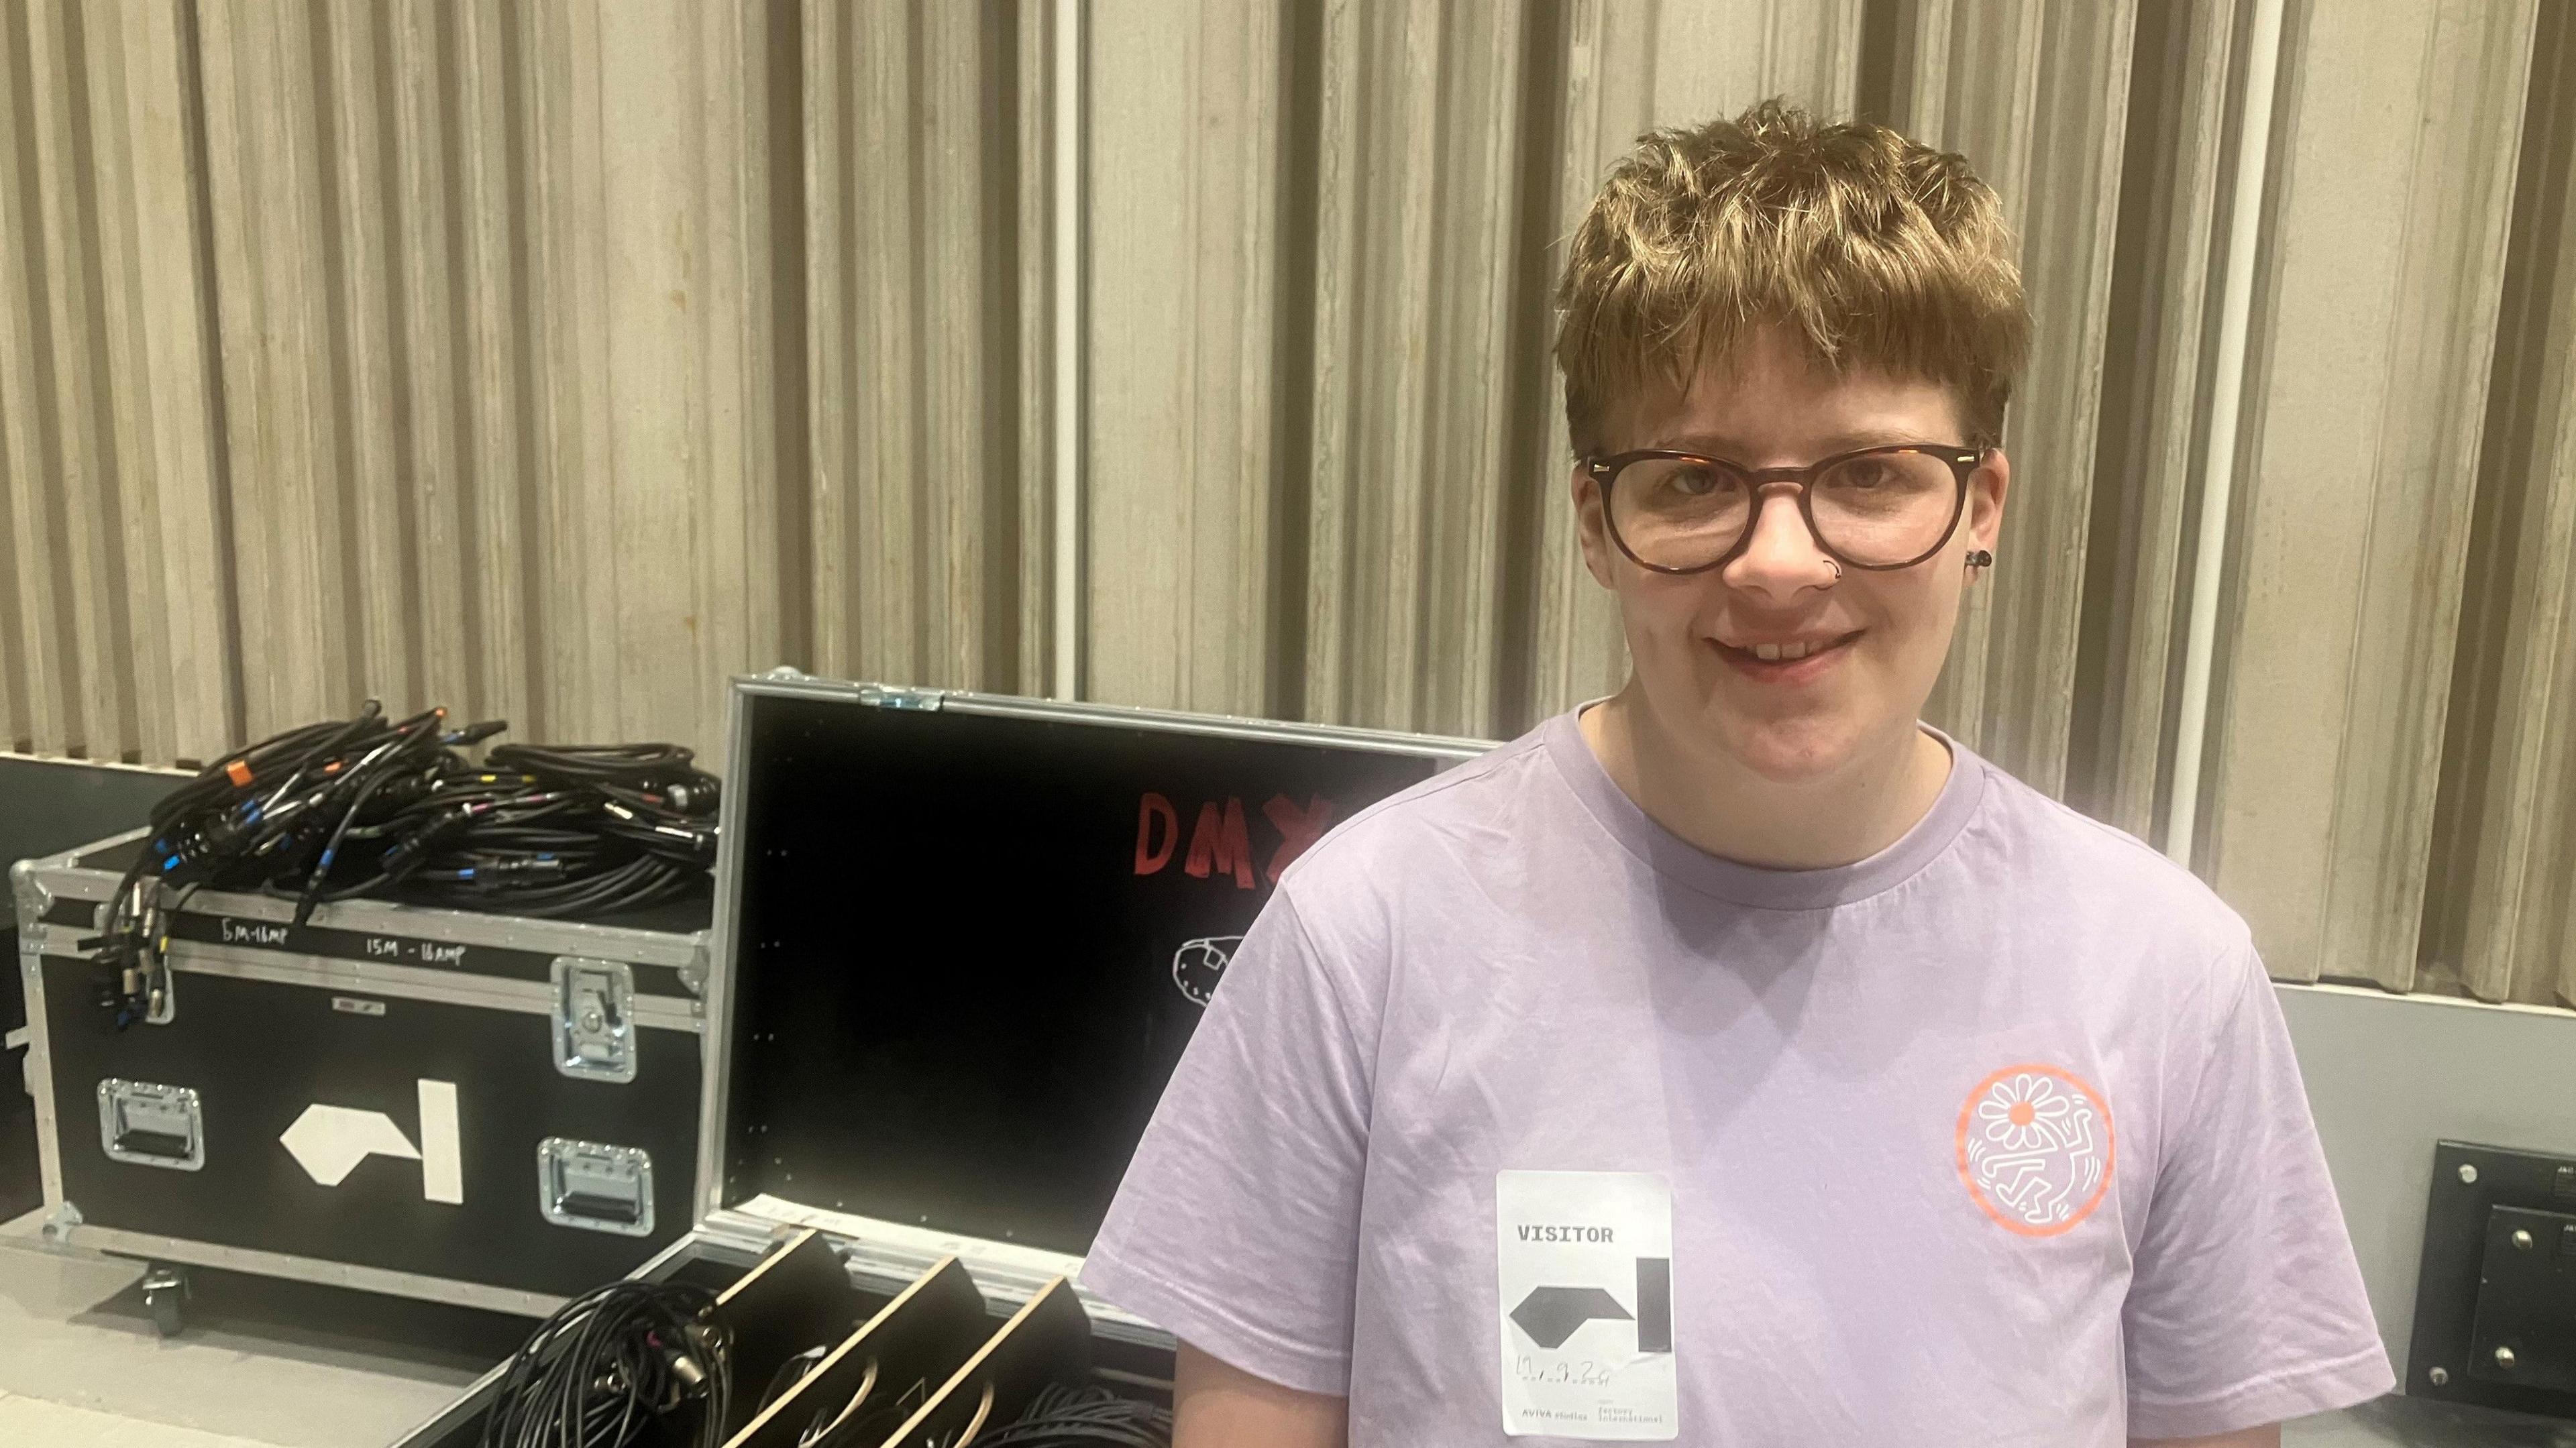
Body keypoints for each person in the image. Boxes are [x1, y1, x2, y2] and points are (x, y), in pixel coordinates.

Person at [1079, 99, 2392, 1447]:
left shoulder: (2166, 979)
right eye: (1697, 478)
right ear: (1599, 520)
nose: (1780, 563)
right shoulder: (1366, 938)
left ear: (1981, 509)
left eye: (1871, 473)